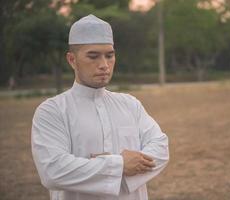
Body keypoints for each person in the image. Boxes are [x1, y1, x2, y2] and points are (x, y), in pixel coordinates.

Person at [31, 14, 169, 200]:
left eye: (109, 55)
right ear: (72, 60)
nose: (104, 65)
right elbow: (53, 170)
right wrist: (119, 165)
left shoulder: (130, 105)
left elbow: (160, 148)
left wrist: (103, 168)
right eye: (93, 56)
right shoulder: (52, 111)